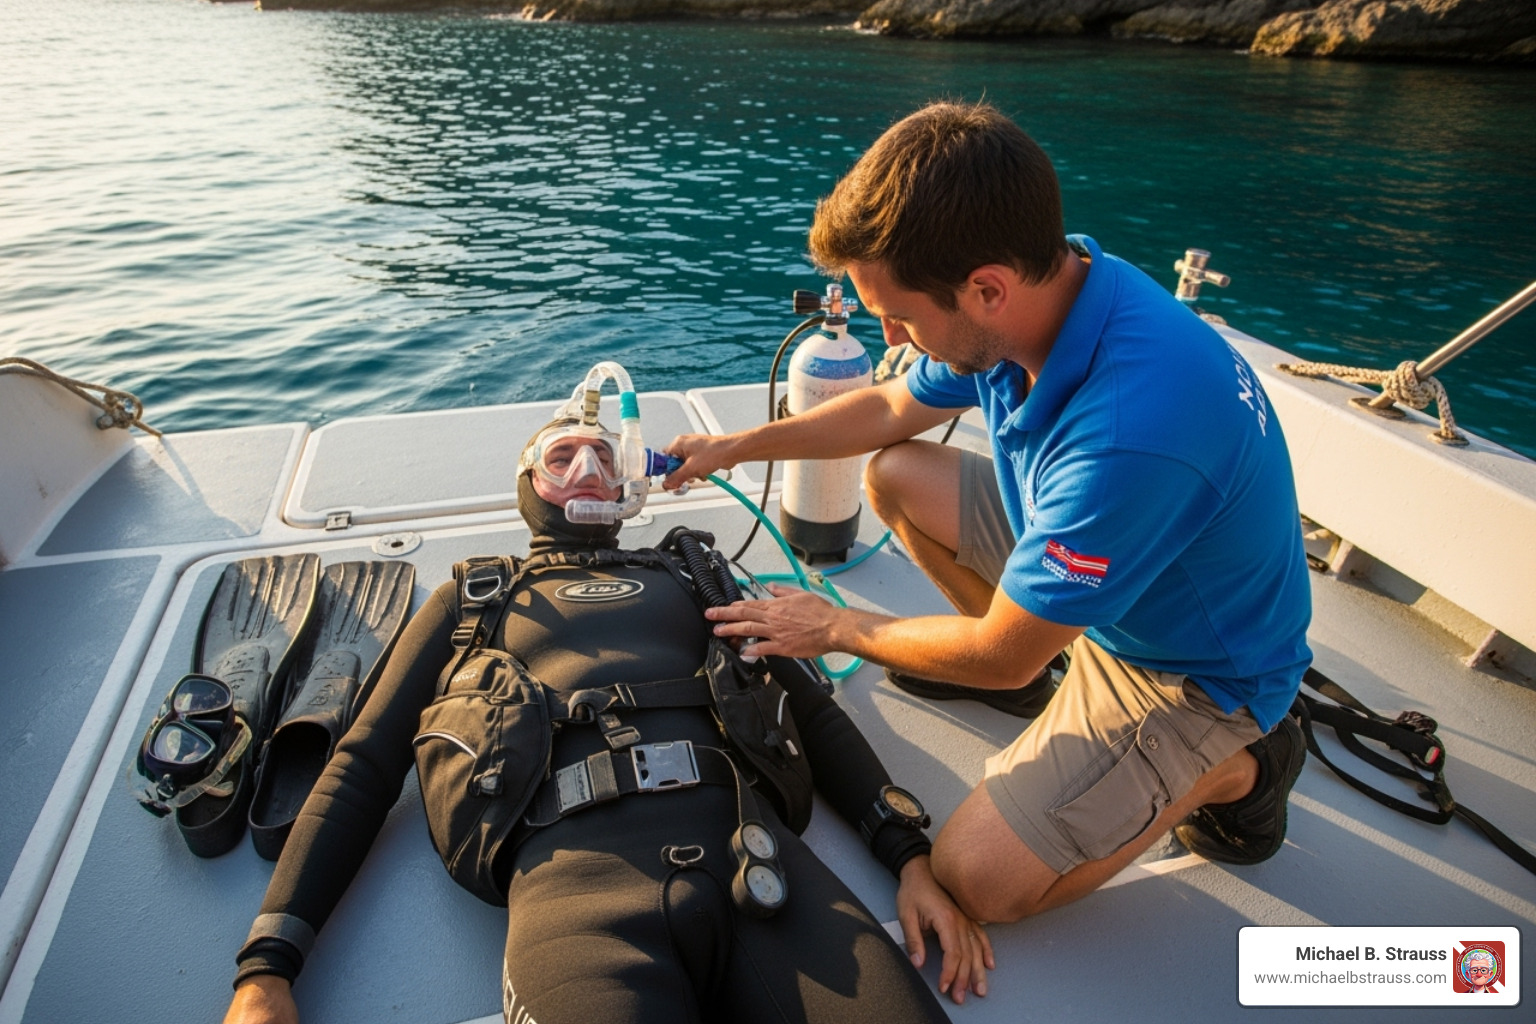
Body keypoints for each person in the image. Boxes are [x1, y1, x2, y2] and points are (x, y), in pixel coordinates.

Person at [664, 101, 1313, 926]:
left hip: (1193, 672)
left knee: (975, 878)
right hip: (1114, 569)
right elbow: (891, 408)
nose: (890, 335)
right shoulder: (1054, 295)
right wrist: (734, 447)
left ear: (986, 290)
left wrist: (832, 627)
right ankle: (1055, 660)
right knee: (898, 475)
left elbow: (1000, 655)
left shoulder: (1128, 434)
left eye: (899, 316)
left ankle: (1240, 768)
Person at [224, 414, 991, 1024]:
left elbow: (812, 711)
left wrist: (909, 859)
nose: (588, 470)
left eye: (603, 456)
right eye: (563, 457)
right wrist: (268, 969)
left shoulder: (695, 575)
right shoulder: (474, 598)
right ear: (528, 484)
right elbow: (363, 762)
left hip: (756, 861)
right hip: (573, 893)